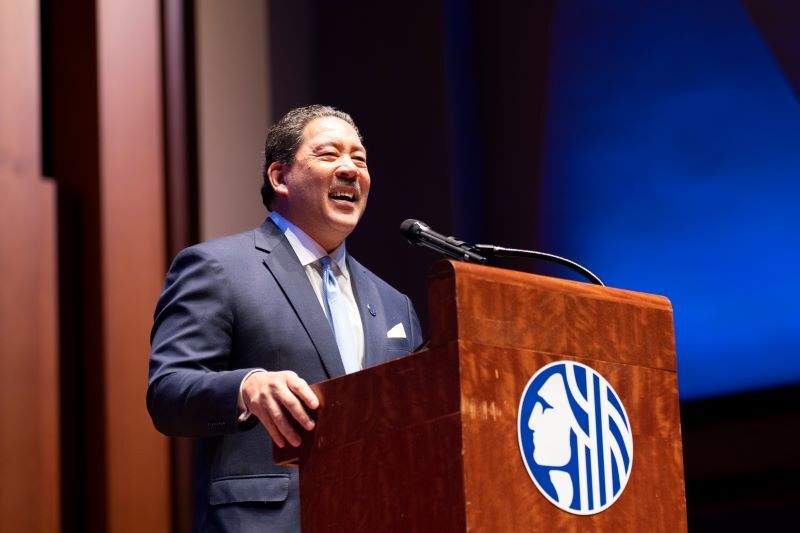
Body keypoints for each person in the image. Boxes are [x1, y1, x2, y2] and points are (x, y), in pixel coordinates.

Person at [147, 105, 424, 532]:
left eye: (360, 159)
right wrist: (246, 387)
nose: (350, 169)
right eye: (330, 155)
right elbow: (168, 394)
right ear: (280, 177)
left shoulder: (393, 304)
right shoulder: (218, 268)